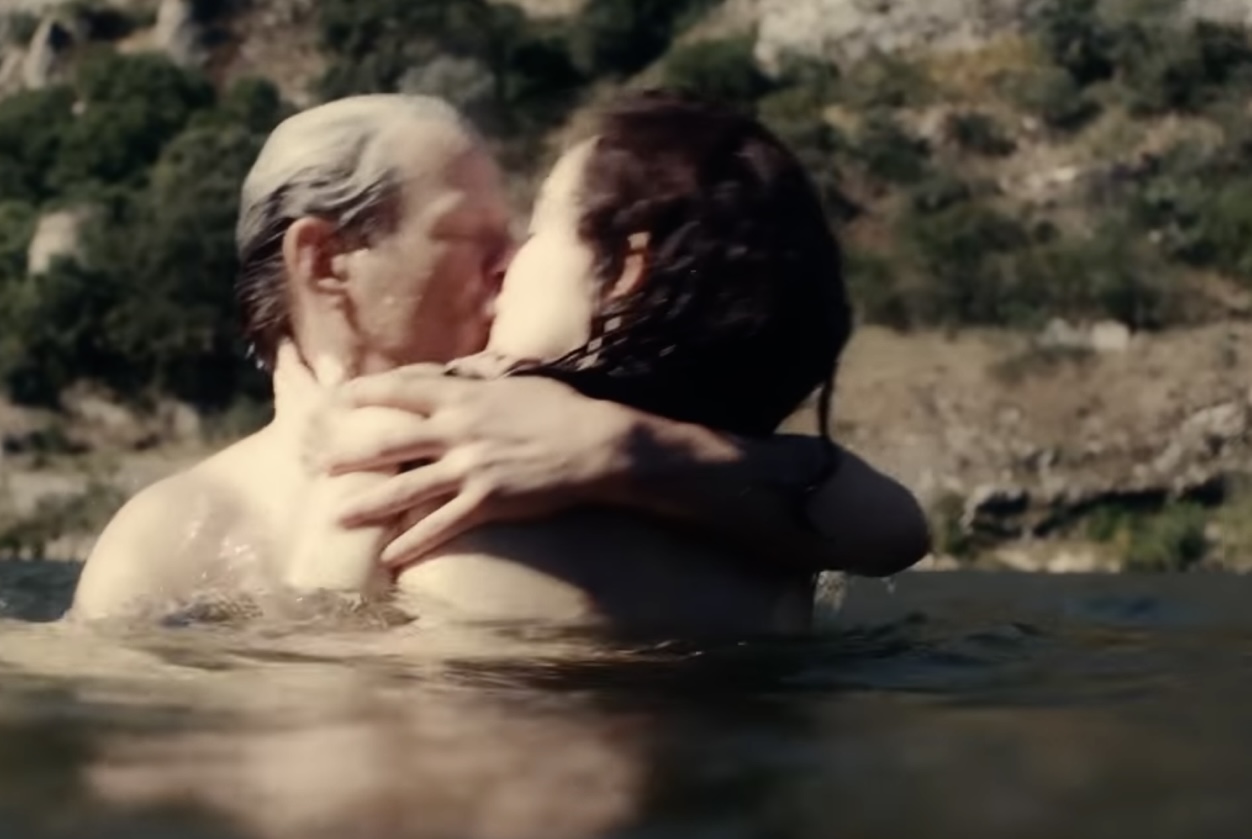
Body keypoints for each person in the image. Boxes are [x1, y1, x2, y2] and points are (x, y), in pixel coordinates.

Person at [67, 93, 929, 627]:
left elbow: (888, 526)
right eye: (469, 238)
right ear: (325, 261)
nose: (508, 264)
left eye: (525, 235)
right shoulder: (167, 534)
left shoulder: (648, 448)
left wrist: (619, 451)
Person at [284, 91, 858, 635]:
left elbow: (314, 628)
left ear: (627, 269)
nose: (507, 263)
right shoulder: (778, 510)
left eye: (535, 230)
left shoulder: (417, 423)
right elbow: (883, 525)